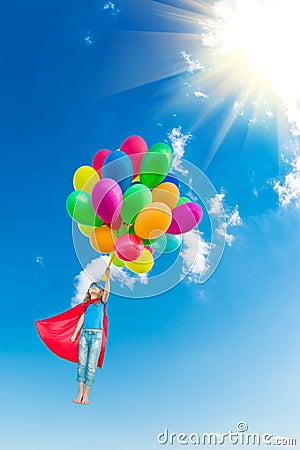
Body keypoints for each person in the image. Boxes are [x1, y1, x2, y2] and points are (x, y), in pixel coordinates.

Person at [71, 267, 111, 405]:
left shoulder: (101, 303)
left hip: (97, 336)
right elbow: (81, 320)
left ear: (100, 292)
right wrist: (75, 334)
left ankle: (87, 395)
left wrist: (107, 277)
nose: (93, 287)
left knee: (91, 366)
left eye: (96, 287)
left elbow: (108, 292)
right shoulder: (86, 306)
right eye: (91, 286)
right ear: (89, 292)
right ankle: (79, 394)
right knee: (82, 364)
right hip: (84, 335)